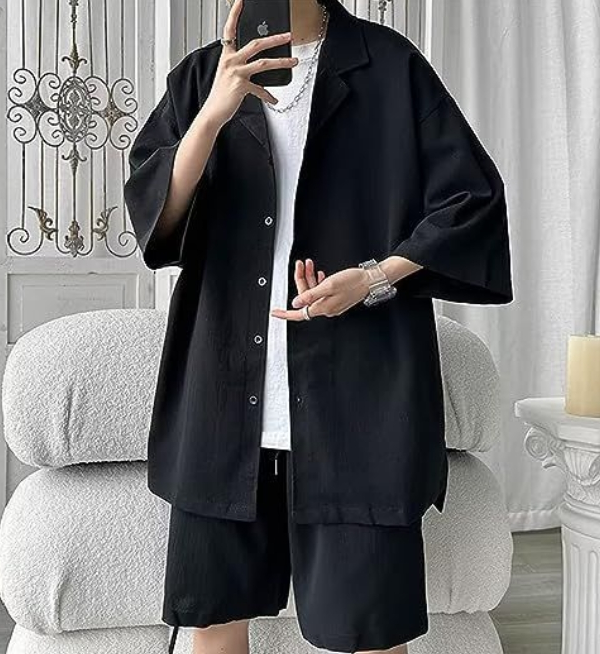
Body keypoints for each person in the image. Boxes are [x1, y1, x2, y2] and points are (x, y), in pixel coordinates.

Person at [123, 0, 513, 652]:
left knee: (371, 629)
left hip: (361, 403)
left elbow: (472, 201)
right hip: (222, 402)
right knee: (213, 625)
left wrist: (374, 277)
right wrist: (214, 113)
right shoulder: (202, 76)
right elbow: (156, 218)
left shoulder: (389, 66)